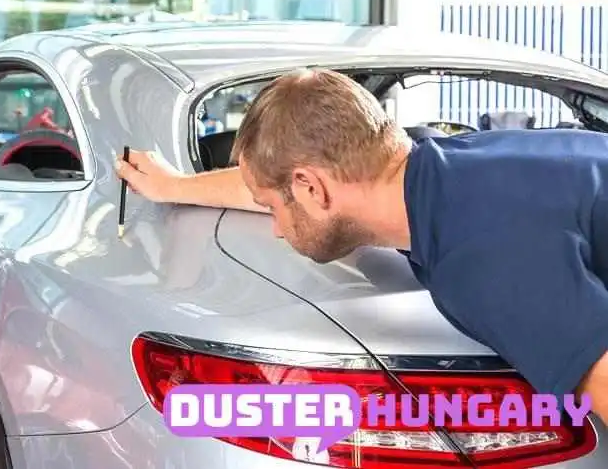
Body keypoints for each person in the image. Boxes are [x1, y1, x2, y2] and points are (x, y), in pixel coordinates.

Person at [115, 67, 608, 425]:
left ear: (312, 188)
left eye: (275, 209)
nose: (278, 229)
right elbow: (275, 183)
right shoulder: (448, 166)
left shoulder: (479, 261)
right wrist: (173, 185)